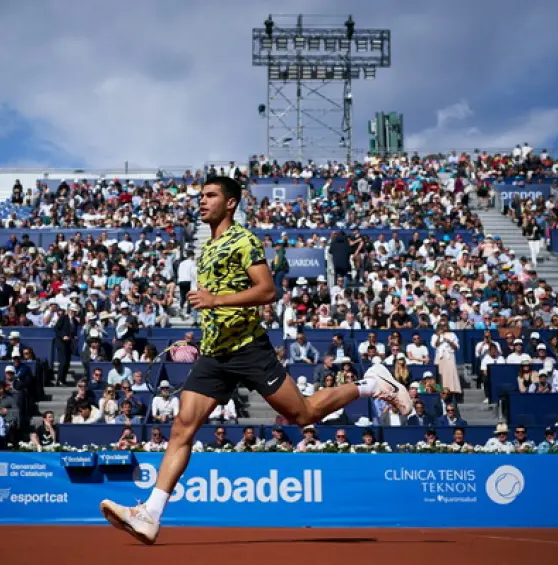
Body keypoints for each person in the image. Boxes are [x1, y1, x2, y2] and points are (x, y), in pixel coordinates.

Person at [99, 176, 412, 545]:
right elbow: (216, 299)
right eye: (201, 196)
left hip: (249, 349)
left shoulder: (243, 240)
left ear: (230, 203)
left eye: (211, 196)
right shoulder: (206, 248)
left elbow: (267, 290)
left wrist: (215, 302)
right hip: (215, 354)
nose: (202, 201)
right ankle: (150, 514)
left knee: (304, 415)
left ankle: (372, 385)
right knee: (183, 427)